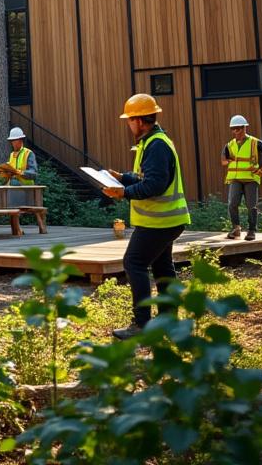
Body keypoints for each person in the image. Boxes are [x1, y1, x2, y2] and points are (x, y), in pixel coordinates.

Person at [101, 93, 191, 340]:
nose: (128, 124)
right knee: (162, 267)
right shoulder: (153, 142)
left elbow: (154, 185)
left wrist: (123, 193)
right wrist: (123, 178)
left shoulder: (156, 145)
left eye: (130, 120)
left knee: (134, 263)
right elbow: (146, 177)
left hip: (159, 221)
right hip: (167, 220)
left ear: (139, 121)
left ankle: (141, 325)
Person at [222, 115, 262, 241]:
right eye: (233, 129)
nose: (235, 131)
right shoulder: (230, 145)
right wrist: (227, 161)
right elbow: (223, 160)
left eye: (238, 128)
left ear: (244, 128)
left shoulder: (255, 142)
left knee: (251, 205)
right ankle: (236, 229)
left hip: (250, 179)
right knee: (232, 203)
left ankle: (251, 231)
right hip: (235, 178)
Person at [2, 127, 37, 206]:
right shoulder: (12, 155)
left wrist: (20, 172)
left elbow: (34, 173)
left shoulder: (28, 153)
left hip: (27, 190)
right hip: (13, 190)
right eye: (11, 141)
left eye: (14, 140)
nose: (12, 143)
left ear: (20, 140)